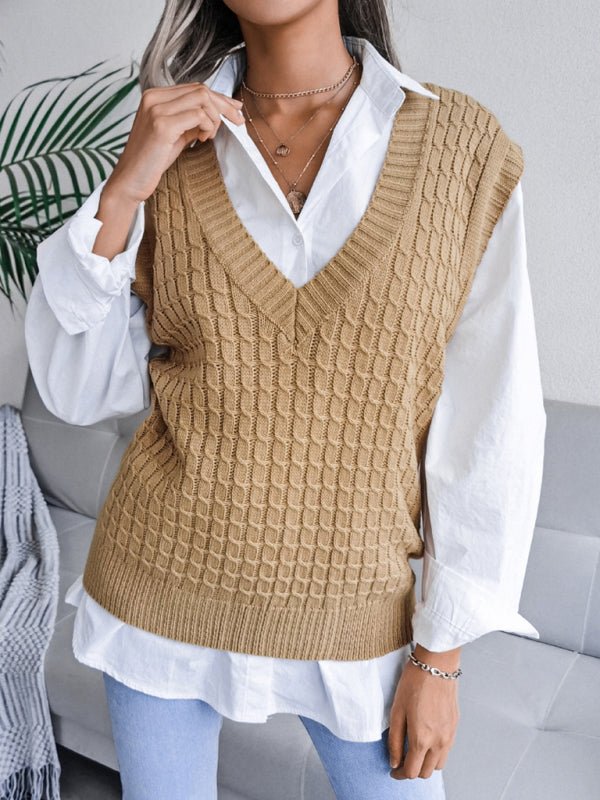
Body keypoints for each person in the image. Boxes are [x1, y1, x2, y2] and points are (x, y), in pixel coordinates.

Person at [24, 0, 547, 797]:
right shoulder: (169, 148)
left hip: (359, 617)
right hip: (157, 590)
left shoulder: (462, 151)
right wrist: (125, 190)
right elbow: (76, 390)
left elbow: (493, 422)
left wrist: (439, 658)